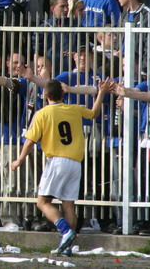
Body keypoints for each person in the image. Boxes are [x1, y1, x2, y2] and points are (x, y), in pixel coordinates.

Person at [11, 78, 112, 256]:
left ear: (46, 95)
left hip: (57, 161)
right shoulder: (73, 109)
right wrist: (101, 92)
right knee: (68, 205)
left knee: (42, 202)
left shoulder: (43, 113)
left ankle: (66, 231)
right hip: (75, 162)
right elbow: (94, 113)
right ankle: (68, 246)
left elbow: (30, 141)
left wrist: (19, 160)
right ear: (63, 93)